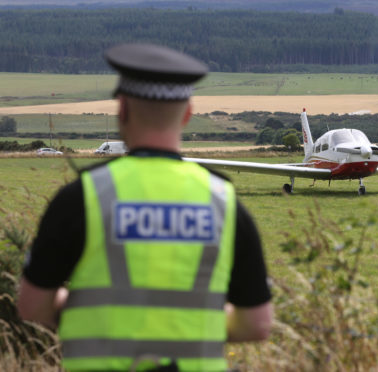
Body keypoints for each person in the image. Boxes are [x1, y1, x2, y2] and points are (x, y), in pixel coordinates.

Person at [17, 43, 273, 372]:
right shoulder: (224, 201)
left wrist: (85, 307)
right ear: (187, 114)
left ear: (121, 109)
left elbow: (32, 308)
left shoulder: (82, 197)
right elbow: (257, 324)